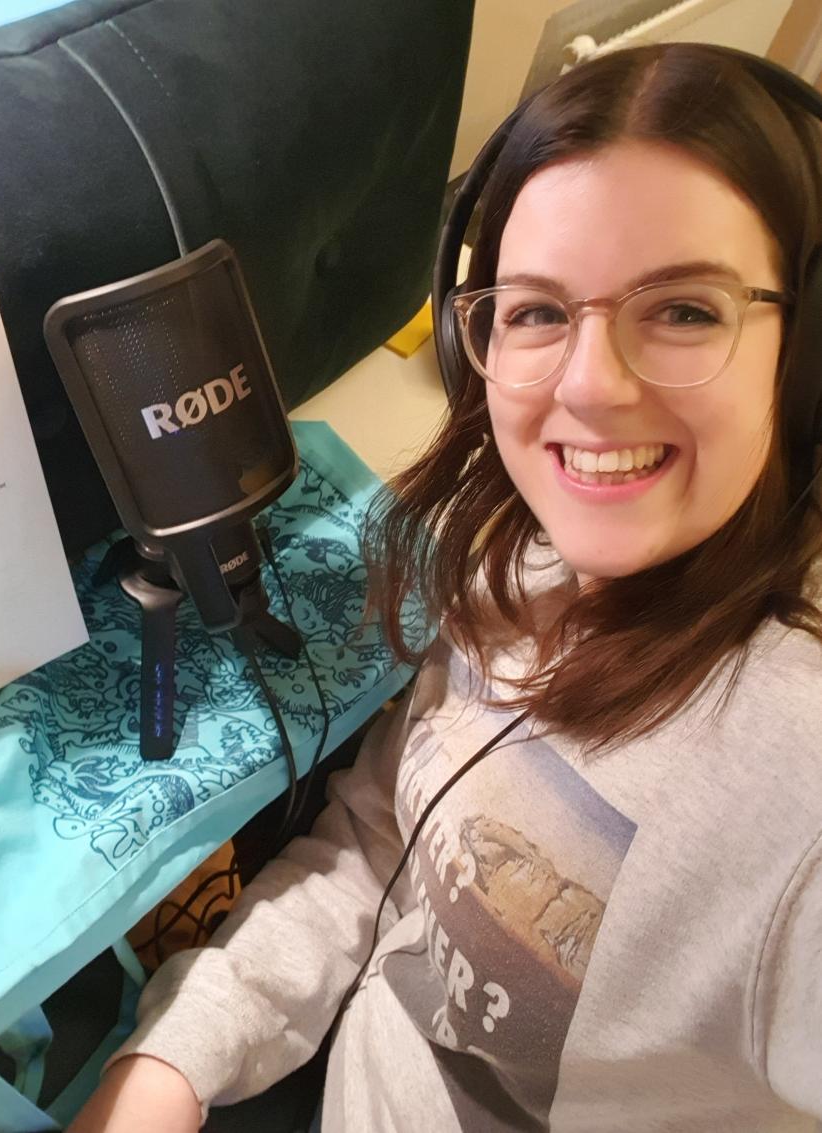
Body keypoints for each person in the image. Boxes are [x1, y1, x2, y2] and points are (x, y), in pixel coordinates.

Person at [68, 41, 822, 1132]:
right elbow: (385, 842)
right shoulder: (516, 556)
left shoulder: (794, 785)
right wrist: (176, 1060)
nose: (590, 385)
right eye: (536, 310)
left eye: (684, 309)